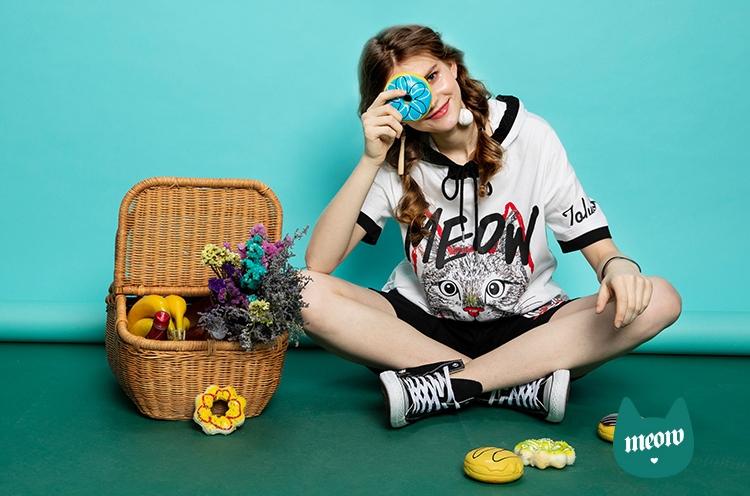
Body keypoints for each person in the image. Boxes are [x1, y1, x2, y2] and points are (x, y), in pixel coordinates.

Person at [301, 24, 682, 429]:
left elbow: (598, 245)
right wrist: (370, 159)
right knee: (302, 291)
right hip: (421, 331)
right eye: (409, 94)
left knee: (659, 298)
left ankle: (453, 384)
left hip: (531, 327)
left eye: (433, 76)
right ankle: (514, 383)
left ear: (453, 67)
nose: (431, 98)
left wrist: (618, 267)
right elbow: (319, 263)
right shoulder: (395, 158)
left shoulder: (531, 136)